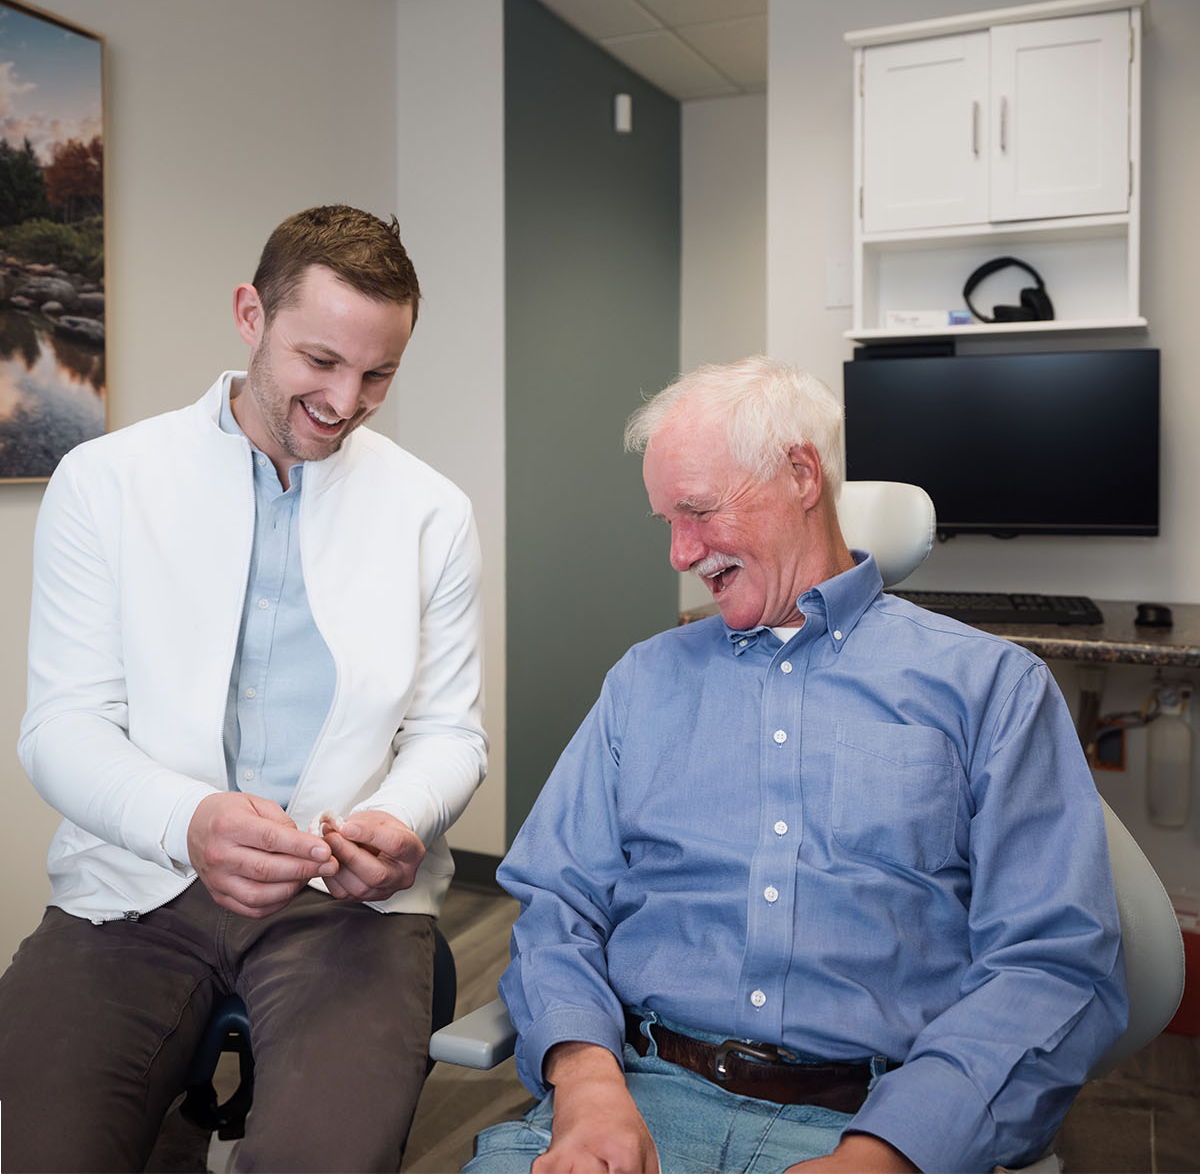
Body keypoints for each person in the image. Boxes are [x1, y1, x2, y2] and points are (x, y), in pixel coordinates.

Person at [468, 357, 1125, 1174]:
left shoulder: (989, 685)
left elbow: (1051, 960)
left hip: (879, 1120)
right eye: (666, 520)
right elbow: (555, 900)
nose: (679, 553)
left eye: (698, 511)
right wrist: (585, 1077)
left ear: (801, 474)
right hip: (637, 1098)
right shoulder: (644, 680)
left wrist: (887, 1153)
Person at [0, 204, 487, 1173]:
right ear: (250, 316)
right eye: (321, 361)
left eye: (378, 373)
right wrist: (190, 821)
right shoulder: (105, 484)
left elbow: (449, 733)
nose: (346, 401)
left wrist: (398, 818)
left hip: (340, 906)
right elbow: (62, 728)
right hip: (130, 892)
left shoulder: (432, 513)